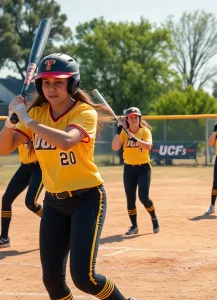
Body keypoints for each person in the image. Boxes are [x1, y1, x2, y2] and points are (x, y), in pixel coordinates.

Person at [0, 53, 135, 300]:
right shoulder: (38, 113)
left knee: (85, 279)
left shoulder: (83, 112)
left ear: (72, 84)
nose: (51, 88)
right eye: (46, 82)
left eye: (59, 82)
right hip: (53, 203)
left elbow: (65, 141)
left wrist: (27, 119)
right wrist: (10, 123)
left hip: (88, 199)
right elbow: (3, 148)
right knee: (52, 281)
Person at [112, 107, 160, 235]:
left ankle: (154, 218)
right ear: (127, 119)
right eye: (130, 117)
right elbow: (115, 147)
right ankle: (134, 226)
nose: (133, 119)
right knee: (130, 199)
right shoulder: (123, 132)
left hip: (143, 167)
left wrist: (135, 140)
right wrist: (118, 131)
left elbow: (148, 147)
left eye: (135, 117)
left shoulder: (145, 131)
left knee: (143, 197)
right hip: (129, 169)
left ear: (139, 119)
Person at [0, 142, 43, 248]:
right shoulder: (19, 127)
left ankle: (55, 220)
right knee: (6, 199)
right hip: (24, 166)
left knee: (30, 203)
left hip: (40, 167)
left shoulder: (38, 125)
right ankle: (4, 238)